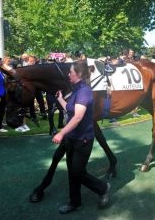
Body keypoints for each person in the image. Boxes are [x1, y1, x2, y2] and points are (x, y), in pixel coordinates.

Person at [52, 60, 110, 214]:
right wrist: (60, 100)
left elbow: (77, 117)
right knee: (72, 171)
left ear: (77, 74)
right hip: (72, 138)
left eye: (70, 72)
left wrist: (61, 133)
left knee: (78, 172)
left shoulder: (84, 91)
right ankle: (74, 202)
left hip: (83, 140)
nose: (68, 74)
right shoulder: (76, 90)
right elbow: (70, 110)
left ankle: (103, 188)